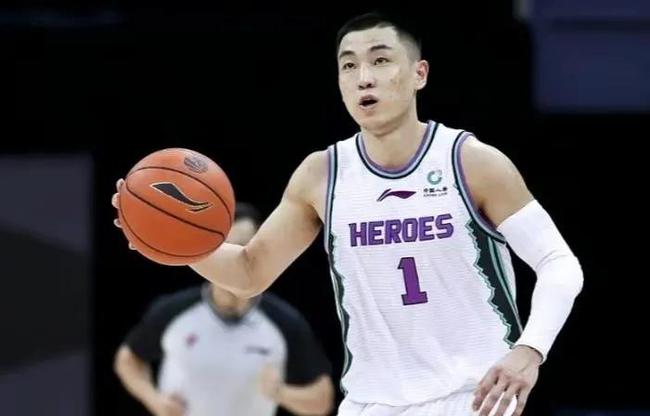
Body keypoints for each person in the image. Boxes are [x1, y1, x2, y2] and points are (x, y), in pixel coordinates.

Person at [113, 12, 584, 416]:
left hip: (473, 396)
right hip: (369, 403)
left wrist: (530, 350)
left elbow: (559, 263)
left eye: (380, 60)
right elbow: (250, 272)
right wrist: (172, 241)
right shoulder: (321, 174)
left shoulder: (471, 162)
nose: (364, 77)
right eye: (349, 65)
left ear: (419, 74)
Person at [113, 202, 335, 416]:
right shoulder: (174, 311)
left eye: (243, 247)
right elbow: (128, 359)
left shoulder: (284, 322)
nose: (235, 258)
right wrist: (154, 399)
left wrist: (280, 392)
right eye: (227, 247)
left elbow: (322, 400)